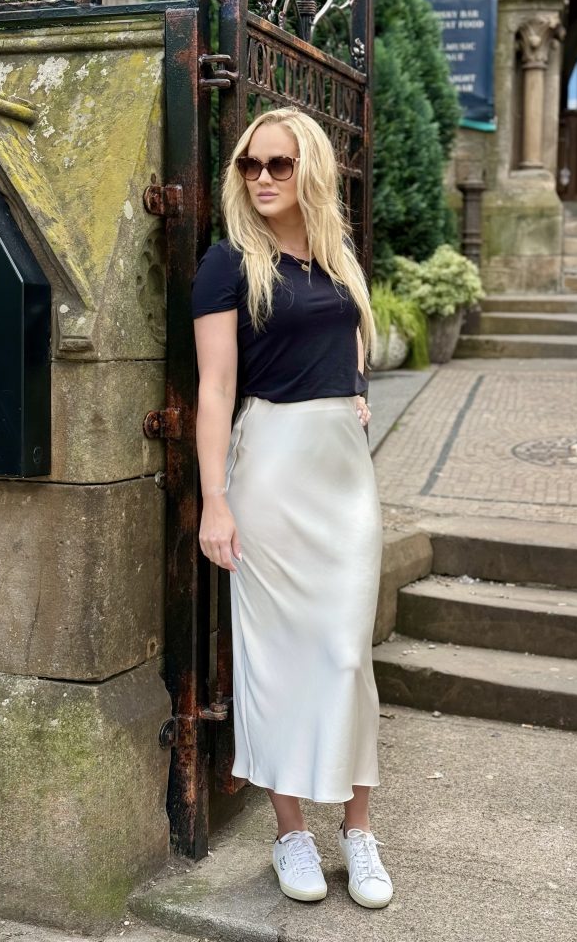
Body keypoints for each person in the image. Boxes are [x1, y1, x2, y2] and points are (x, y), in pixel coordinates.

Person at [191, 107, 393, 910]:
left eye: (278, 164)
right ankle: (291, 832)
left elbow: (349, 346)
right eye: (250, 165)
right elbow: (214, 388)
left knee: (347, 658)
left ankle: (359, 830)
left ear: (308, 168)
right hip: (269, 468)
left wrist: (355, 395)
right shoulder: (228, 263)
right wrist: (215, 501)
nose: (263, 178)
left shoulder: (339, 258)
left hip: (343, 477)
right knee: (277, 659)